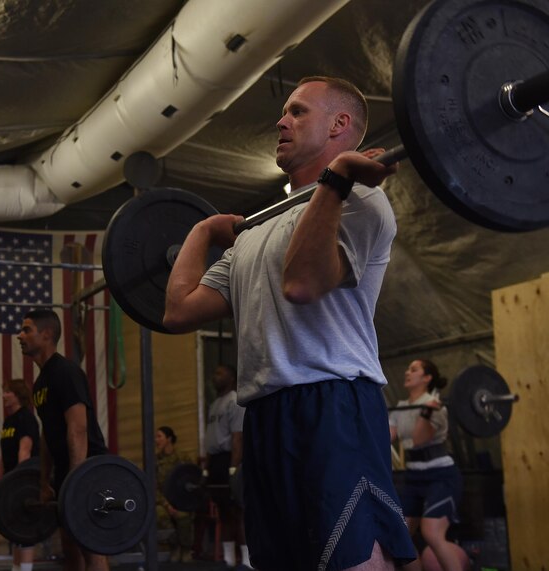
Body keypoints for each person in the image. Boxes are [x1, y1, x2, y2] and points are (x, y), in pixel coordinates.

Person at [163, 76, 416, 570]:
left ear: (340, 124)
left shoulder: (362, 201)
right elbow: (178, 311)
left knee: (358, 559)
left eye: (298, 111)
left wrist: (339, 179)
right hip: (264, 413)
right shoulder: (256, 233)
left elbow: (302, 282)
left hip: (333, 401)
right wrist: (201, 229)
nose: (281, 121)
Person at [17, 309, 110, 571]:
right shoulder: (40, 383)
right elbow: (48, 432)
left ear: (46, 335)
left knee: (90, 544)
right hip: (67, 472)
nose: (19, 336)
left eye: (27, 330)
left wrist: (77, 479)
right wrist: (45, 481)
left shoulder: (66, 372)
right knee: (69, 544)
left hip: (88, 469)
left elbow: (77, 428)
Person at [389, 359, 467, 571]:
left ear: (427, 378)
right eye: (407, 368)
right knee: (400, 536)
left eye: (414, 369)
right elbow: (386, 437)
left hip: (441, 475)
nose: (407, 372)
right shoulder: (401, 407)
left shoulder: (436, 406)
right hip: (414, 476)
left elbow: (418, 440)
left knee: (432, 533)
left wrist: (426, 412)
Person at [202, 364, 251, 569]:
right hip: (216, 462)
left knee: (238, 511)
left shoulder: (235, 401)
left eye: (220, 373)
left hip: (230, 461)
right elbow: (210, 439)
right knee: (223, 511)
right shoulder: (214, 404)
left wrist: (234, 468)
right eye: (215, 372)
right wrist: (206, 468)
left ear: (231, 378)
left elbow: (237, 437)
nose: (215, 376)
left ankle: (247, 562)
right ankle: (229, 560)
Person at [0, 378, 41, 571]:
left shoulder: (26, 418)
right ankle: (16, 569)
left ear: (19, 396)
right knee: (14, 530)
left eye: (8, 392)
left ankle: (25, 569)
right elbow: (4, 454)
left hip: (23, 482)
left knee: (24, 529)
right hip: (10, 481)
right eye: (4, 391)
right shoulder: (8, 421)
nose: (4, 395)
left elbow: (25, 451)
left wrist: (18, 483)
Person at [154, 426, 196, 563]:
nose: (156, 440)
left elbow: (193, 480)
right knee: (158, 514)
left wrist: (182, 503)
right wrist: (167, 505)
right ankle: (174, 546)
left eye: (159, 436)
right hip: (164, 503)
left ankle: (185, 549)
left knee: (183, 515)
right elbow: (153, 487)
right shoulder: (155, 460)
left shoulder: (182, 457)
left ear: (169, 439)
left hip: (182, 501)